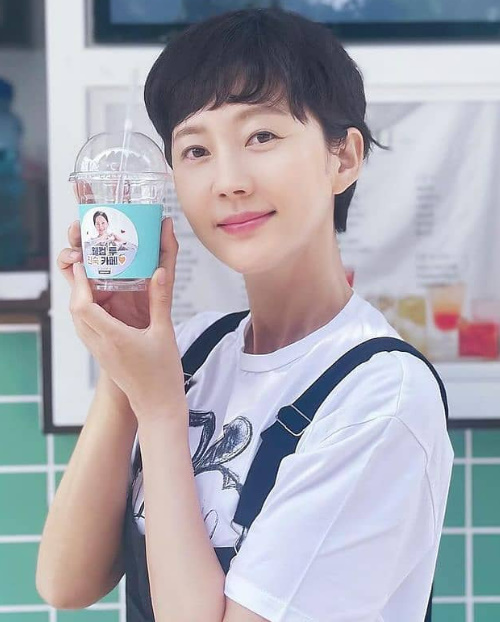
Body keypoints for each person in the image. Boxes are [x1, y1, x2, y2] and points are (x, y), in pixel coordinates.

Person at [37, 7, 454, 622]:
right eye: (196, 149)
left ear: (343, 158)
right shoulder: (193, 349)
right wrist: (122, 357)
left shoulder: (380, 396)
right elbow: (66, 583)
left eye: (261, 137)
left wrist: (161, 408)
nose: (228, 181)